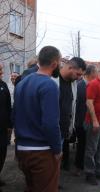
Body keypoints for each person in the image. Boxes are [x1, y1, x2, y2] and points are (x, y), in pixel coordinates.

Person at [14, 46, 62, 192]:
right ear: (54, 64)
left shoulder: (22, 83)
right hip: (41, 152)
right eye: (59, 62)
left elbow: (14, 115)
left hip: (22, 150)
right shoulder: (49, 85)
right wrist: (57, 149)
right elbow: (50, 123)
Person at [53, 57, 86, 171]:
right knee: (49, 164)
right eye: (78, 74)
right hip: (52, 132)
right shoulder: (53, 80)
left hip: (64, 131)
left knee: (56, 164)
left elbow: (72, 106)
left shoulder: (73, 84)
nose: (79, 77)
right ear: (70, 67)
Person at [73, 64, 97, 176]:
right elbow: (78, 105)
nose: (97, 74)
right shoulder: (80, 85)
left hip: (90, 120)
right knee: (82, 145)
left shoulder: (93, 85)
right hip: (81, 121)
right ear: (91, 73)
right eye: (96, 72)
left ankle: (87, 166)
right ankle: (79, 167)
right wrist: (78, 122)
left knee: (89, 145)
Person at [0, 63, 12, 188]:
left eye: (1, 69)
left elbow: (9, 106)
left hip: (2, 128)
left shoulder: (3, 85)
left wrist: (9, 124)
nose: (1, 71)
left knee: (2, 152)